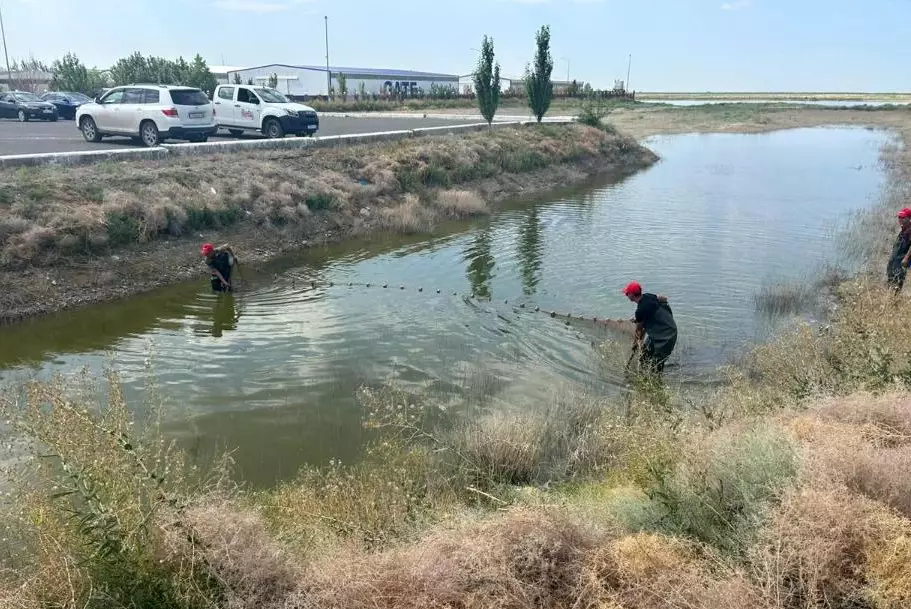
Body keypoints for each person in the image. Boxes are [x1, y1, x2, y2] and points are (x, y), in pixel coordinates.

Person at [622, 281, 678, 374]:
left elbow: (639, 331)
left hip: (667, 335)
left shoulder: (640, 310)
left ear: (632, 295)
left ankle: (657, 383)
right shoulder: (648, 296)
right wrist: (638, 319)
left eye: (627, 293)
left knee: (656, 366)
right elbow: (663, 298)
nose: (626, 295)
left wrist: (635, 344)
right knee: (644, 356)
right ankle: (643, 375)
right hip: (661, 330)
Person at [886, 208, 911, 294]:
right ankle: (889, 298)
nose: (900, 219)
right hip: (895, 260)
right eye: (899, 217)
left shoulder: (910, 230)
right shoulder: (904, 229)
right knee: (891, 280)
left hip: (901, 261)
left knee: (897, 281)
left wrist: (906, 258)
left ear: (909, 218)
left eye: (903, 217)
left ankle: (894, 300)